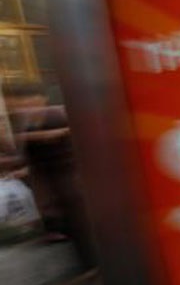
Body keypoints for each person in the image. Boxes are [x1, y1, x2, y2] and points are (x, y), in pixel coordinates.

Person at [2, 81, 97, 274]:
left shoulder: (56, 115)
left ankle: (94, 264)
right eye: (16, 104)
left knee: (82, 222)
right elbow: (25, 155)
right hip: (50, 184)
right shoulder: (24, 124)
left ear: (41, 99)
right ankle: (88, 264)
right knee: (71, 225)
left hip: (70, 179)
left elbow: (76, 136)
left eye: (25, 102)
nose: (21, 108)